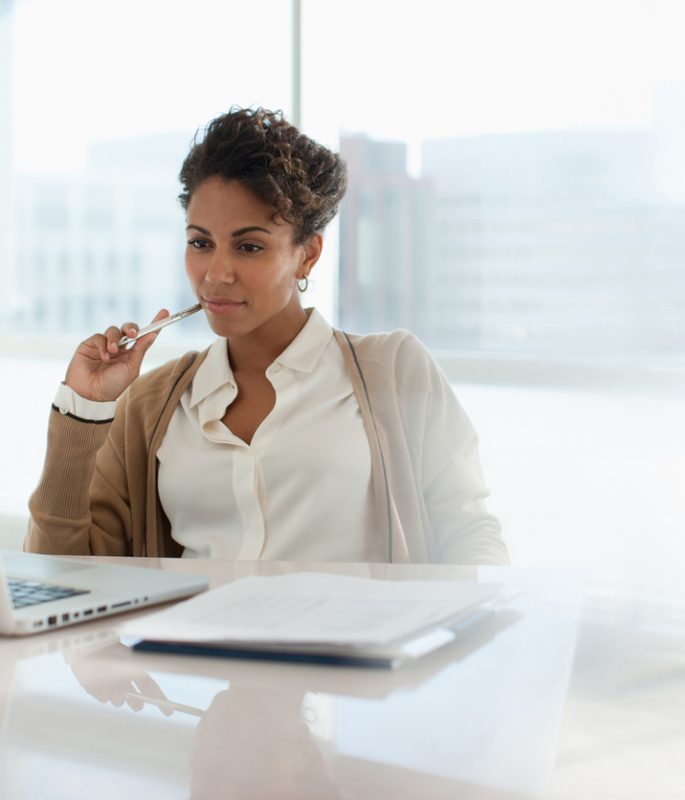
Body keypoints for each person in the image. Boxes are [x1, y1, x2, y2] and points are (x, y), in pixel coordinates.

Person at [25, 107, 509, 565]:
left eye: (249, 246)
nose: (215, 275)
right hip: (190, 653)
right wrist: (84, 407)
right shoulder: (152, 406)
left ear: (307, 255)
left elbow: (469, 535)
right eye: (200, 243)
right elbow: (63, 578)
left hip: (350, 651)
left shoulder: (395, 370)